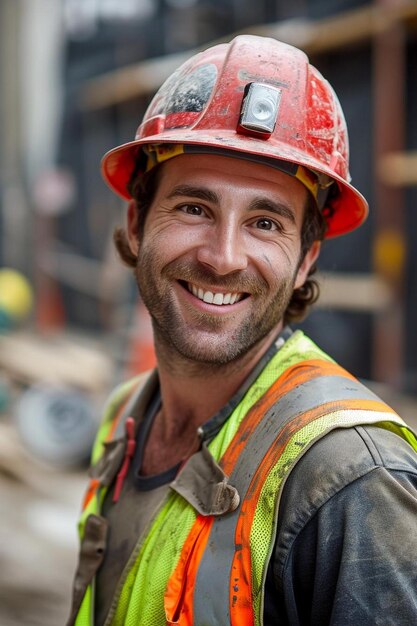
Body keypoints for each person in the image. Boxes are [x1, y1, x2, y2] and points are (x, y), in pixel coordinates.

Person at [68, 35, 417, 626]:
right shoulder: (126, 416)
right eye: (194, 208)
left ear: (306, 258)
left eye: (264, 222)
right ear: (135, 221)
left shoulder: (351, 478)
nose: (224, 257)